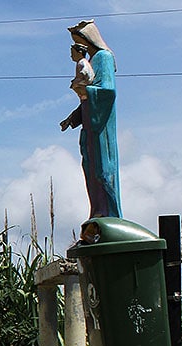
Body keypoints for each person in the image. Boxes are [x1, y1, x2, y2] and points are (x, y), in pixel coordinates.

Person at [59, 20, 121, 219]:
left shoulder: (103, 58)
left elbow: (107, 92)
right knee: (90, 168)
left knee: (103, 169)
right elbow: (87, 97)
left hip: (101, 124)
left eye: (80, 42)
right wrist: (73, 117)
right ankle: (97, 212)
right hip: (89, 121)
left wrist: (84, 90)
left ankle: (109, 213)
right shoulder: (91, 61)